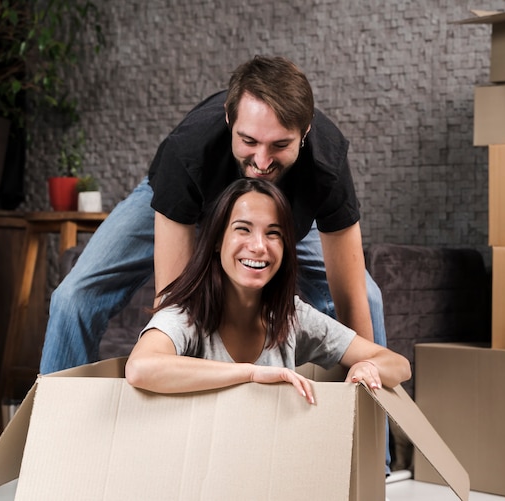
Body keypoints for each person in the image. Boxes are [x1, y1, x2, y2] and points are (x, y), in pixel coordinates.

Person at [40, 55, 386, 375]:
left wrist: (367, 372)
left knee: (369, 299)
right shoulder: (187, 151)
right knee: (73, 298)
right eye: (249, 141)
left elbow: (353, 298)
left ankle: (374, 442)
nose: (262, 163)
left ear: (306, 132)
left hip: (272, 213)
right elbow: (172, 303)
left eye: (280, 145)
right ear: (228, 119)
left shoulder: (327, 161)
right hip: (186, 201)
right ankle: (55, 434)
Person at [125, 178, 411, 404]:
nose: (259, 246)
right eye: (243, 229)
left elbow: (398, 365)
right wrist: (251, 374)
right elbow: (140, 368)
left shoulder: (290, 316)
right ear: (216, 241)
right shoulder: (186, 315)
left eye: (273, 233)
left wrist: (366, 370)